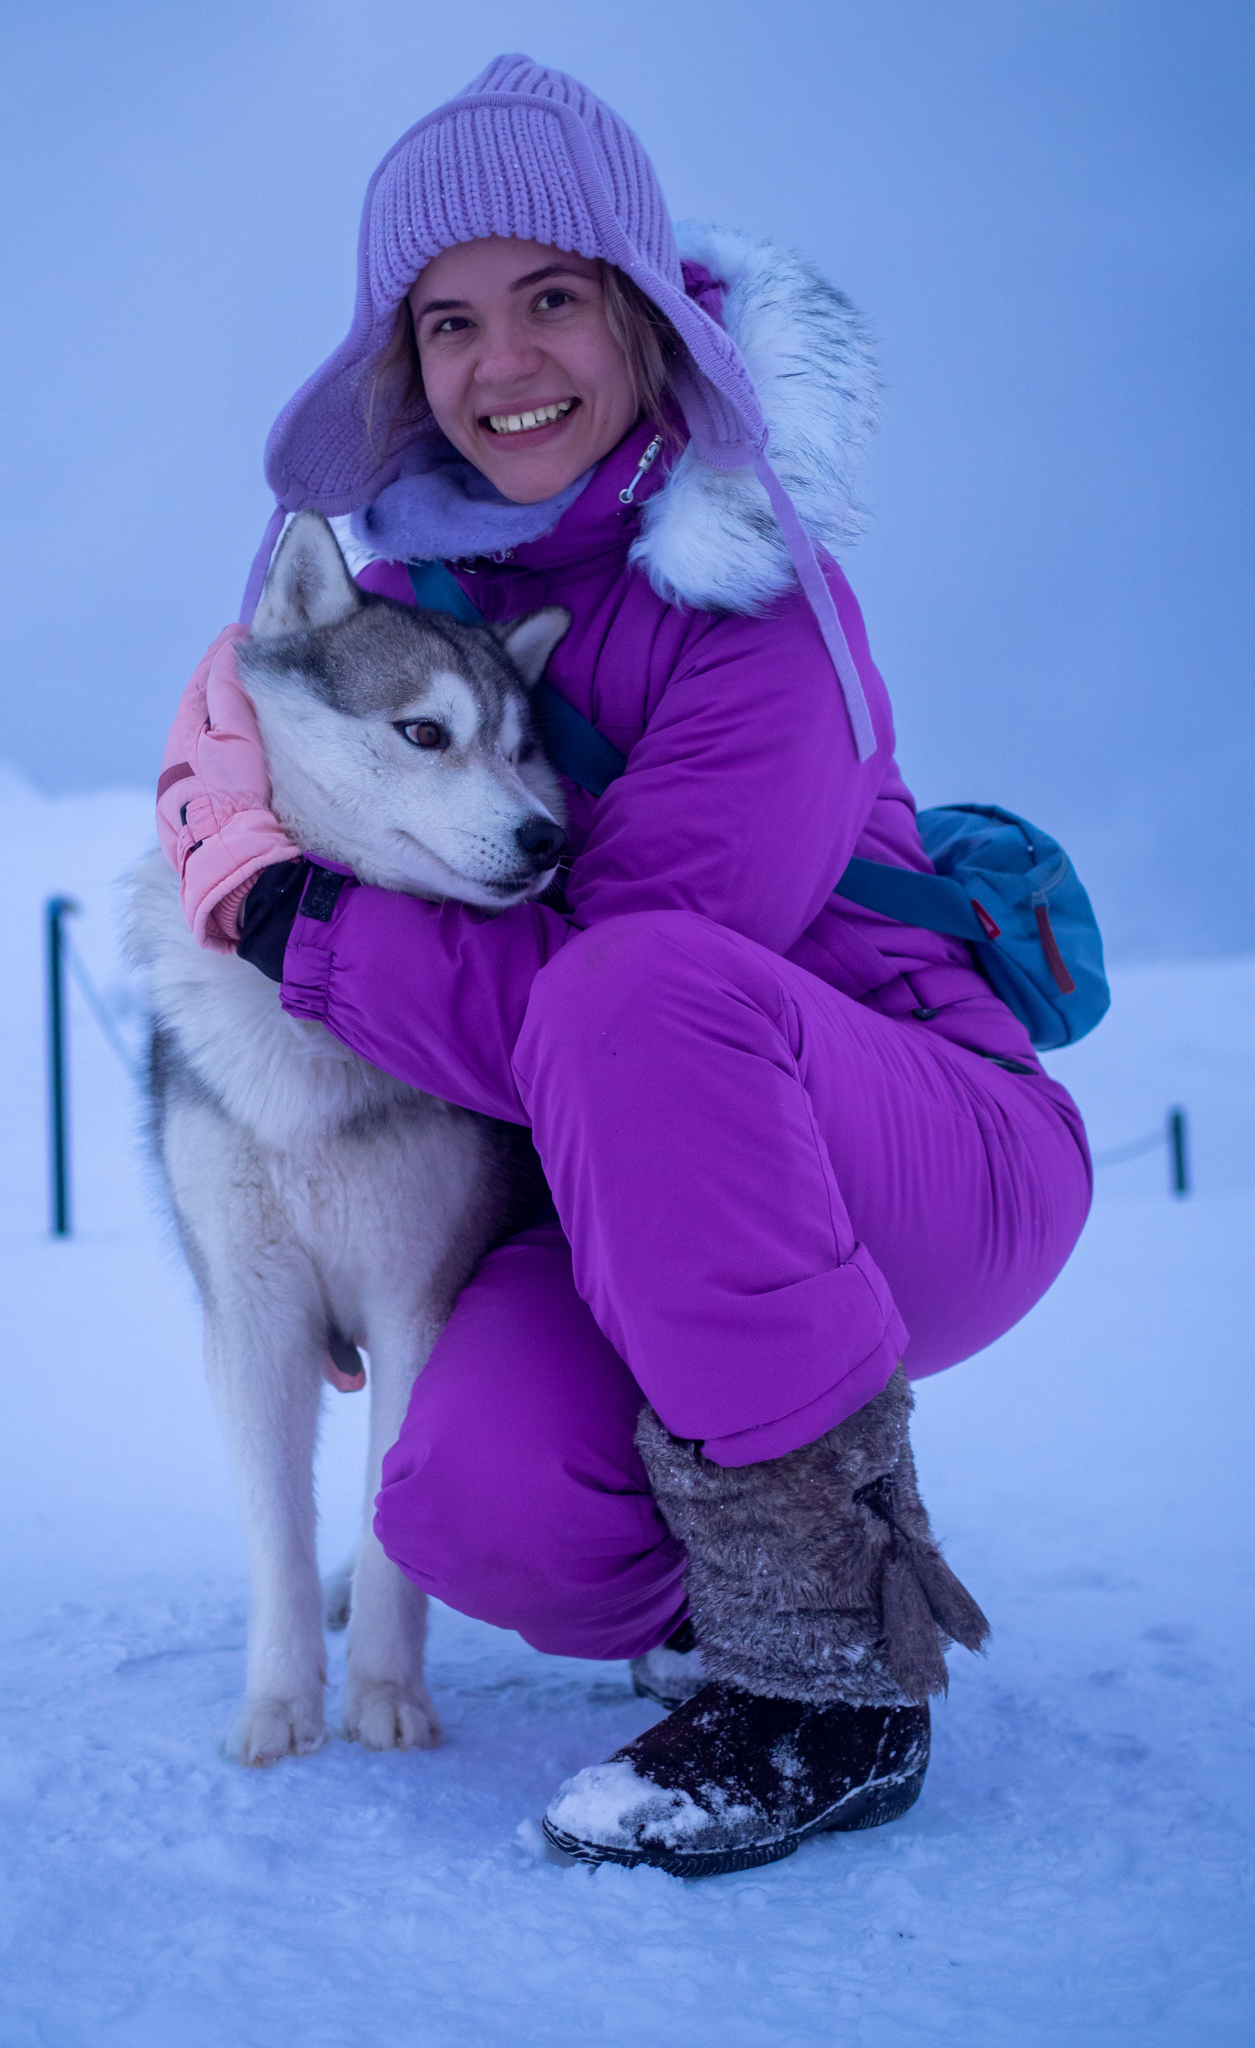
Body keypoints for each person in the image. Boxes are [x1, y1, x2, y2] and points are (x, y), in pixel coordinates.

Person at [156, 56, 1092, 1874]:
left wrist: (280, 913)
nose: (503, 362)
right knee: (463, 1500)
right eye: (449, 322)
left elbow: (604, 985)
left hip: (926, 1151)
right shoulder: (427, 613)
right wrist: (245, 778)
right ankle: (758, 1534)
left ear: (647, 319)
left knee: (628, 983)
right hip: (627, 1195)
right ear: (406, 369)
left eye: (554, 298)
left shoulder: (753, 600)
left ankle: (824, 1673)